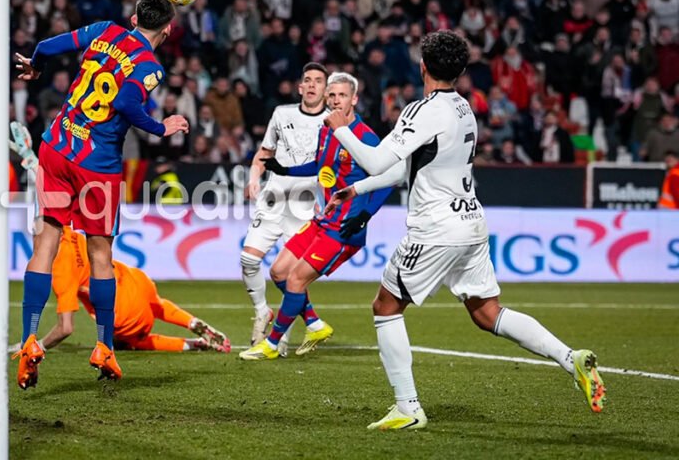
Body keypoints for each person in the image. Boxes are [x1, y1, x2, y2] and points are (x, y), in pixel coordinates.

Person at [326, 31, 604, 430]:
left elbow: (374, 159)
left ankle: (407, 407)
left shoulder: (422, 111)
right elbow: (410, 164)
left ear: (423, 66)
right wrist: (357, 189)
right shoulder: (463, 108)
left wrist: (340, 127)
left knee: (385, 307)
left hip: (435, 229)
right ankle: (569, 356)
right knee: (487, 312)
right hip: (471, 223)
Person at [12, 0, 190, 389]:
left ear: (132, 18)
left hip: (57, 148)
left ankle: (28, 340)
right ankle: (105, 347)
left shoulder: (104, 30)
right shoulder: (149, 66)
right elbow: (128, 104)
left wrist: (36, 68)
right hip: (96, 166)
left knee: (46, 244)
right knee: (100, 255)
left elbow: (44, 47)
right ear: (168, 29)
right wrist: (164, 127)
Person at [239, 72, 392, 361]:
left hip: (345, 228)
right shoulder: (327, 129)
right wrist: (285, 170)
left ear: (354, 99)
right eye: (331, 95)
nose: (335, 100)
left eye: (342, 95)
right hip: (324, 220)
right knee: (278, 272)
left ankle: (271, 345)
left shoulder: (366, 137)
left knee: (296, 281)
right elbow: (320, 165)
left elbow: (390, 179)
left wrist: (365, 216)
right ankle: (314, 324)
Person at [22, 227, 231, 353]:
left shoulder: (60, 272)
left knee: (132, 341)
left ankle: (193, 344)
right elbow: (54, 198)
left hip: (124, 311)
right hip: (136, 279)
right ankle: (191, 321)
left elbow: (65, 328)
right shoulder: (68, 232)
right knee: (156, 305)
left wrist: (36, 345)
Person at [241, 63, 329, 350]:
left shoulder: (333, 122)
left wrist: (327, 203)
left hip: (304, 208)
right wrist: (254, 178)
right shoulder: (282, 113)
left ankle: (286, 332)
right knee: (249, 260)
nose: (313, 85)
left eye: (318, 81)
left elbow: (335, 170)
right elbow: (264, 154)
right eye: (308, 80)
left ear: (326, 90)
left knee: (291, 275)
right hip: (273, 198)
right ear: (300, 87)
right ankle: (262, 310)